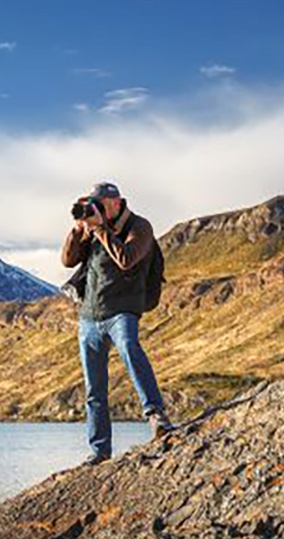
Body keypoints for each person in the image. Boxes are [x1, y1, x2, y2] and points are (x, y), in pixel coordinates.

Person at [61, 182, 172, 465]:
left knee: (130, 349)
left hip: (123, 309)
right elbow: (67, 261)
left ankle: (157, 417)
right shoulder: (92, 227)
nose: (96, 208)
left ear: (117, 202)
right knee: (93, 389)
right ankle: (99, 451)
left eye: (101, 203)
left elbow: (126, 259)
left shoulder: (140, 226)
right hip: (89, 314)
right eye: (93, 204)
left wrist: (100, 229)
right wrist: (77, 231)